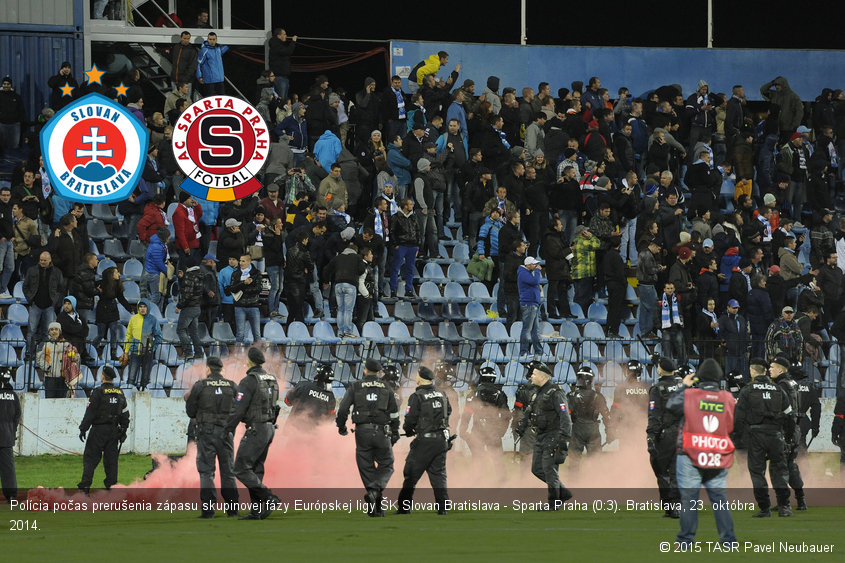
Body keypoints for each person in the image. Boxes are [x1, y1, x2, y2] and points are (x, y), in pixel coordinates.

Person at [665, 358, 737, 549]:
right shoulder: (728, 398)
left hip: (690, 452)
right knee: (720, 499)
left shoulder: (690, 395)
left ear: (699, 377)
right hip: (717, 453)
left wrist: (683, 386)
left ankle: (686, 541)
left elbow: (671, 406)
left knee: (689, 500)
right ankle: (729, 541)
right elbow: (733, 423)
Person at [336, 358, 399, 517]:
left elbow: (343, 409)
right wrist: (396, 431)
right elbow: (394, 413)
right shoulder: (386, 387)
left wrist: (341, 426)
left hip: (362, 432)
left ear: (364, 371)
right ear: (379, 373)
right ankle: (375, 502)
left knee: (367, 468)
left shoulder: (355, 386)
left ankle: (373, 500)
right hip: (381, 432)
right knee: (388, 464)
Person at [734, 357, 795, 517]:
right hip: (776, 435)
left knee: (757, 472)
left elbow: (738, 418)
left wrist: (737, 439)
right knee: (779, 471)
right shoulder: (778, 390)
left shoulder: (747, 390)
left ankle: (765, 508)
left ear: (752, 371)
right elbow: (790, 416)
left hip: (755, 435)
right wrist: (788, 438)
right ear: (765, 371)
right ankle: (784, 507)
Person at [225, 347, 281, 520]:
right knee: (256, 469)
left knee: (241, 468)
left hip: (256, 428)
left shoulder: (249, 380)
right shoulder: (272, 379)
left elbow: (238, 409)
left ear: (249, 361)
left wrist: (227, 429)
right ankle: (256, 511)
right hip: (269, 428)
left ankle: (269, 497)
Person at [186, 356, 240, 519]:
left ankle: (208, 510)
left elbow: (190, 411)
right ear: (221, 369)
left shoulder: (200, 386)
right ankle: (232, 510)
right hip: (226, 433)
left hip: (206, 432)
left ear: (208, 369)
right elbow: (239, 406)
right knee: (228, 471)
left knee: (207, 472)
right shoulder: (232, 386)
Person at [514, 361, 572, 509]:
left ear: (541, 376)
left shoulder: (556, 392)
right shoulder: (536, 392)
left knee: (549, 469)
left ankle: (553, 503)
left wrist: (564, 438)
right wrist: (522, 426)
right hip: (540, 435)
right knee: (536, 469)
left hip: (553, 435)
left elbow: (565, 416)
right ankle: (563, 492)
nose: (531, 377)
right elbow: (529, 410)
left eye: (533, 374)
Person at [396, 366, 452, 515]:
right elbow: (449, 412)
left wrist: (408, 431)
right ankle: (443, 508)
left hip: (424, 442)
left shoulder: (417, 396)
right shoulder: (442, 394)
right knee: (438, 475)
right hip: (441, 440)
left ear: (420, 378)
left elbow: (410, 419)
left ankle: (404, 507)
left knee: (411, 474)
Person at [77, 366, 130, 494]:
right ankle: (112, 488)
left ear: (102, 376)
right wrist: (123, 429)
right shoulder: (119, 393)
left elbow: (90, 412)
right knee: (111, 462)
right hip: (113, 431)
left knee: (90, 460)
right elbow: (125, 414)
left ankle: (85, 487)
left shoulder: (98, 392)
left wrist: (83, 429)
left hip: (98, 430)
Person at [647, 358, 683, 518]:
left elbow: (654, 416)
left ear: (660, 370)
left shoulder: (657, 389)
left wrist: (651, 437)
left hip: (667, 434)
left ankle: (671, 505)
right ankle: (679, 504)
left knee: (661, 469)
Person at [770, 358, 806, 510]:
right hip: (795, 427)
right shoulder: (793, 383)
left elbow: (783, 410)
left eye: (772, 367)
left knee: (778, 466)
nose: (769, 370)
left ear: (781, 370)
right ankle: (801, 499)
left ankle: (783, 503)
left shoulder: (781, 386)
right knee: (791, 465)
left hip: (786, 429)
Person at [459, 365, 511, 457]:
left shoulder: (473, 393)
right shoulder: (500, 394)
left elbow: (467, 414)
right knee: (498, 462)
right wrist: (501, 432)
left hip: (477, 431)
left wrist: (462, 430)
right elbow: (506, 416)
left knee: (478, 461)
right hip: (494, 431)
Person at [566, 365, 610, 472]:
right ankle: (594, 484)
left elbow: (565, 416)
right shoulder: (598, 397)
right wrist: (609, 431)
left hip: (577, 430)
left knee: (574, 462)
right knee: (595, 462)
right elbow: (606, 417)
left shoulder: (571, 396)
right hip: (593, 429)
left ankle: (573, 485)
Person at [122, 299, 162, 390]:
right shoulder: (133, 319)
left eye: (144, 307)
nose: (142, 309)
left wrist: (153, 348)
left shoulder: (153, 320)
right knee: (131, 379)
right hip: (135, 352)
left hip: (148, 353)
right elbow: (128, 336)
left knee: (145, 380)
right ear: (138, 308)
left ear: (148, 307)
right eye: (140, 307)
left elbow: (159, 336)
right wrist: (126, 351)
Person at [610, 360, 650, 448]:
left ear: (627, 371)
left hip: (626, 426)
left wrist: (611, 429)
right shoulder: (648, 388)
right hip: (643, 427)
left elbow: (615, 410)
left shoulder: (621, 388)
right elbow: (652, 410)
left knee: (626, 453)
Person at [284, 363, 336, 428]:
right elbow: (330, 419)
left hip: (292, 429)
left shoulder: (303, 385)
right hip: (314, 434)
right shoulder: (331, 397)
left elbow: (287, 401)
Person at [35, 322, 80, 398]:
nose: (54, 331)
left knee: (62, 401)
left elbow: (76, 356)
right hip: (50, 378)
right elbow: (38, 358)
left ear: (60, 331)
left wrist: (76, 358)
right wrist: (47, 368)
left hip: (63, 378)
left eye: (56, 329)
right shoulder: (44, 343)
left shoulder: (66, 344)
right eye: (52, 329)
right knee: (50, 401)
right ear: (49, 332)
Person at [226, 254, 262, 345]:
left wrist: (243, 289)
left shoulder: (256, 273)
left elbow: (258, 289)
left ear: (249, 262)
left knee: (257, 334)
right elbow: (232, 289)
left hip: (253, 305)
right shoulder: (235, 273)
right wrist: (244, 283)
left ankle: (258, 357)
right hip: (239, 306)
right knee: (240, 334)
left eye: (243, 261)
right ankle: (238, 357)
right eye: (240, 261)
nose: (240, 263)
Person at [176, 256, 206, 361]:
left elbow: (187, 294)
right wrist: (182, 278)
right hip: (197, 307)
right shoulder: (200, 275)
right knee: (194, 332)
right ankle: (199, 353)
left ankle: (188, 352)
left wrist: (179, 306)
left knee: (180, 330)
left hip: (188, 308)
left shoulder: (189, 276)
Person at [389, 198, 420, 299]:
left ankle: (409, 290)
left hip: (412, 246)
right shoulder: (395, 217)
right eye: (410, 204)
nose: (412, 206)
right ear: (405, 206)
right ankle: (393, 290)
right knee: (395, 268)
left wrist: (417, 244)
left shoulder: (414, 217)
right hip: (401, 246)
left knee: (410, 269)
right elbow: (392, 232)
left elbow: (418, 231)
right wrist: (396, 244)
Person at [0, 366, 20, 502]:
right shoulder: (13, 395)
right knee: (8, 468)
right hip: (7, 436)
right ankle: (11, 495)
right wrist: (12, 431)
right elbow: (17, 415)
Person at [517, 256, 543, 358]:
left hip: (533, 304)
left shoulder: (527, 273)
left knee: (535, 330)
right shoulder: (523, 273)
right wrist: (537, 271)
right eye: (534, 264)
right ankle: (523, 352)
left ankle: (539, 351)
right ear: (528, 265)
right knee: (527, 329)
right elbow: (535, 281)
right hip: (528, 304)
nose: (536, 266)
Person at [267, 28, 296, 102]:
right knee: (281, 101)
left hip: (283, 77)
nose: (286, 36)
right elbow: (288, 51)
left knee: (284, 100)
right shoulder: (276, 45)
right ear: (279, 35)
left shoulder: (279, 45)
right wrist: (293, 42)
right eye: (284, 34)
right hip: (279, 77)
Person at [196, 32, 228, 97]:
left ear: (216, 40)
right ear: (207, 39)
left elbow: (227, 46)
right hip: (209, 81)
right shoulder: (204, 50)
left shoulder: (218, 49)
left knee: (221, 100)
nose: (212, 41)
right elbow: (199, 63)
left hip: (220, 80)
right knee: (211, 100)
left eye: (213, 39)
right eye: (210, 39)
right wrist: (199, 76)